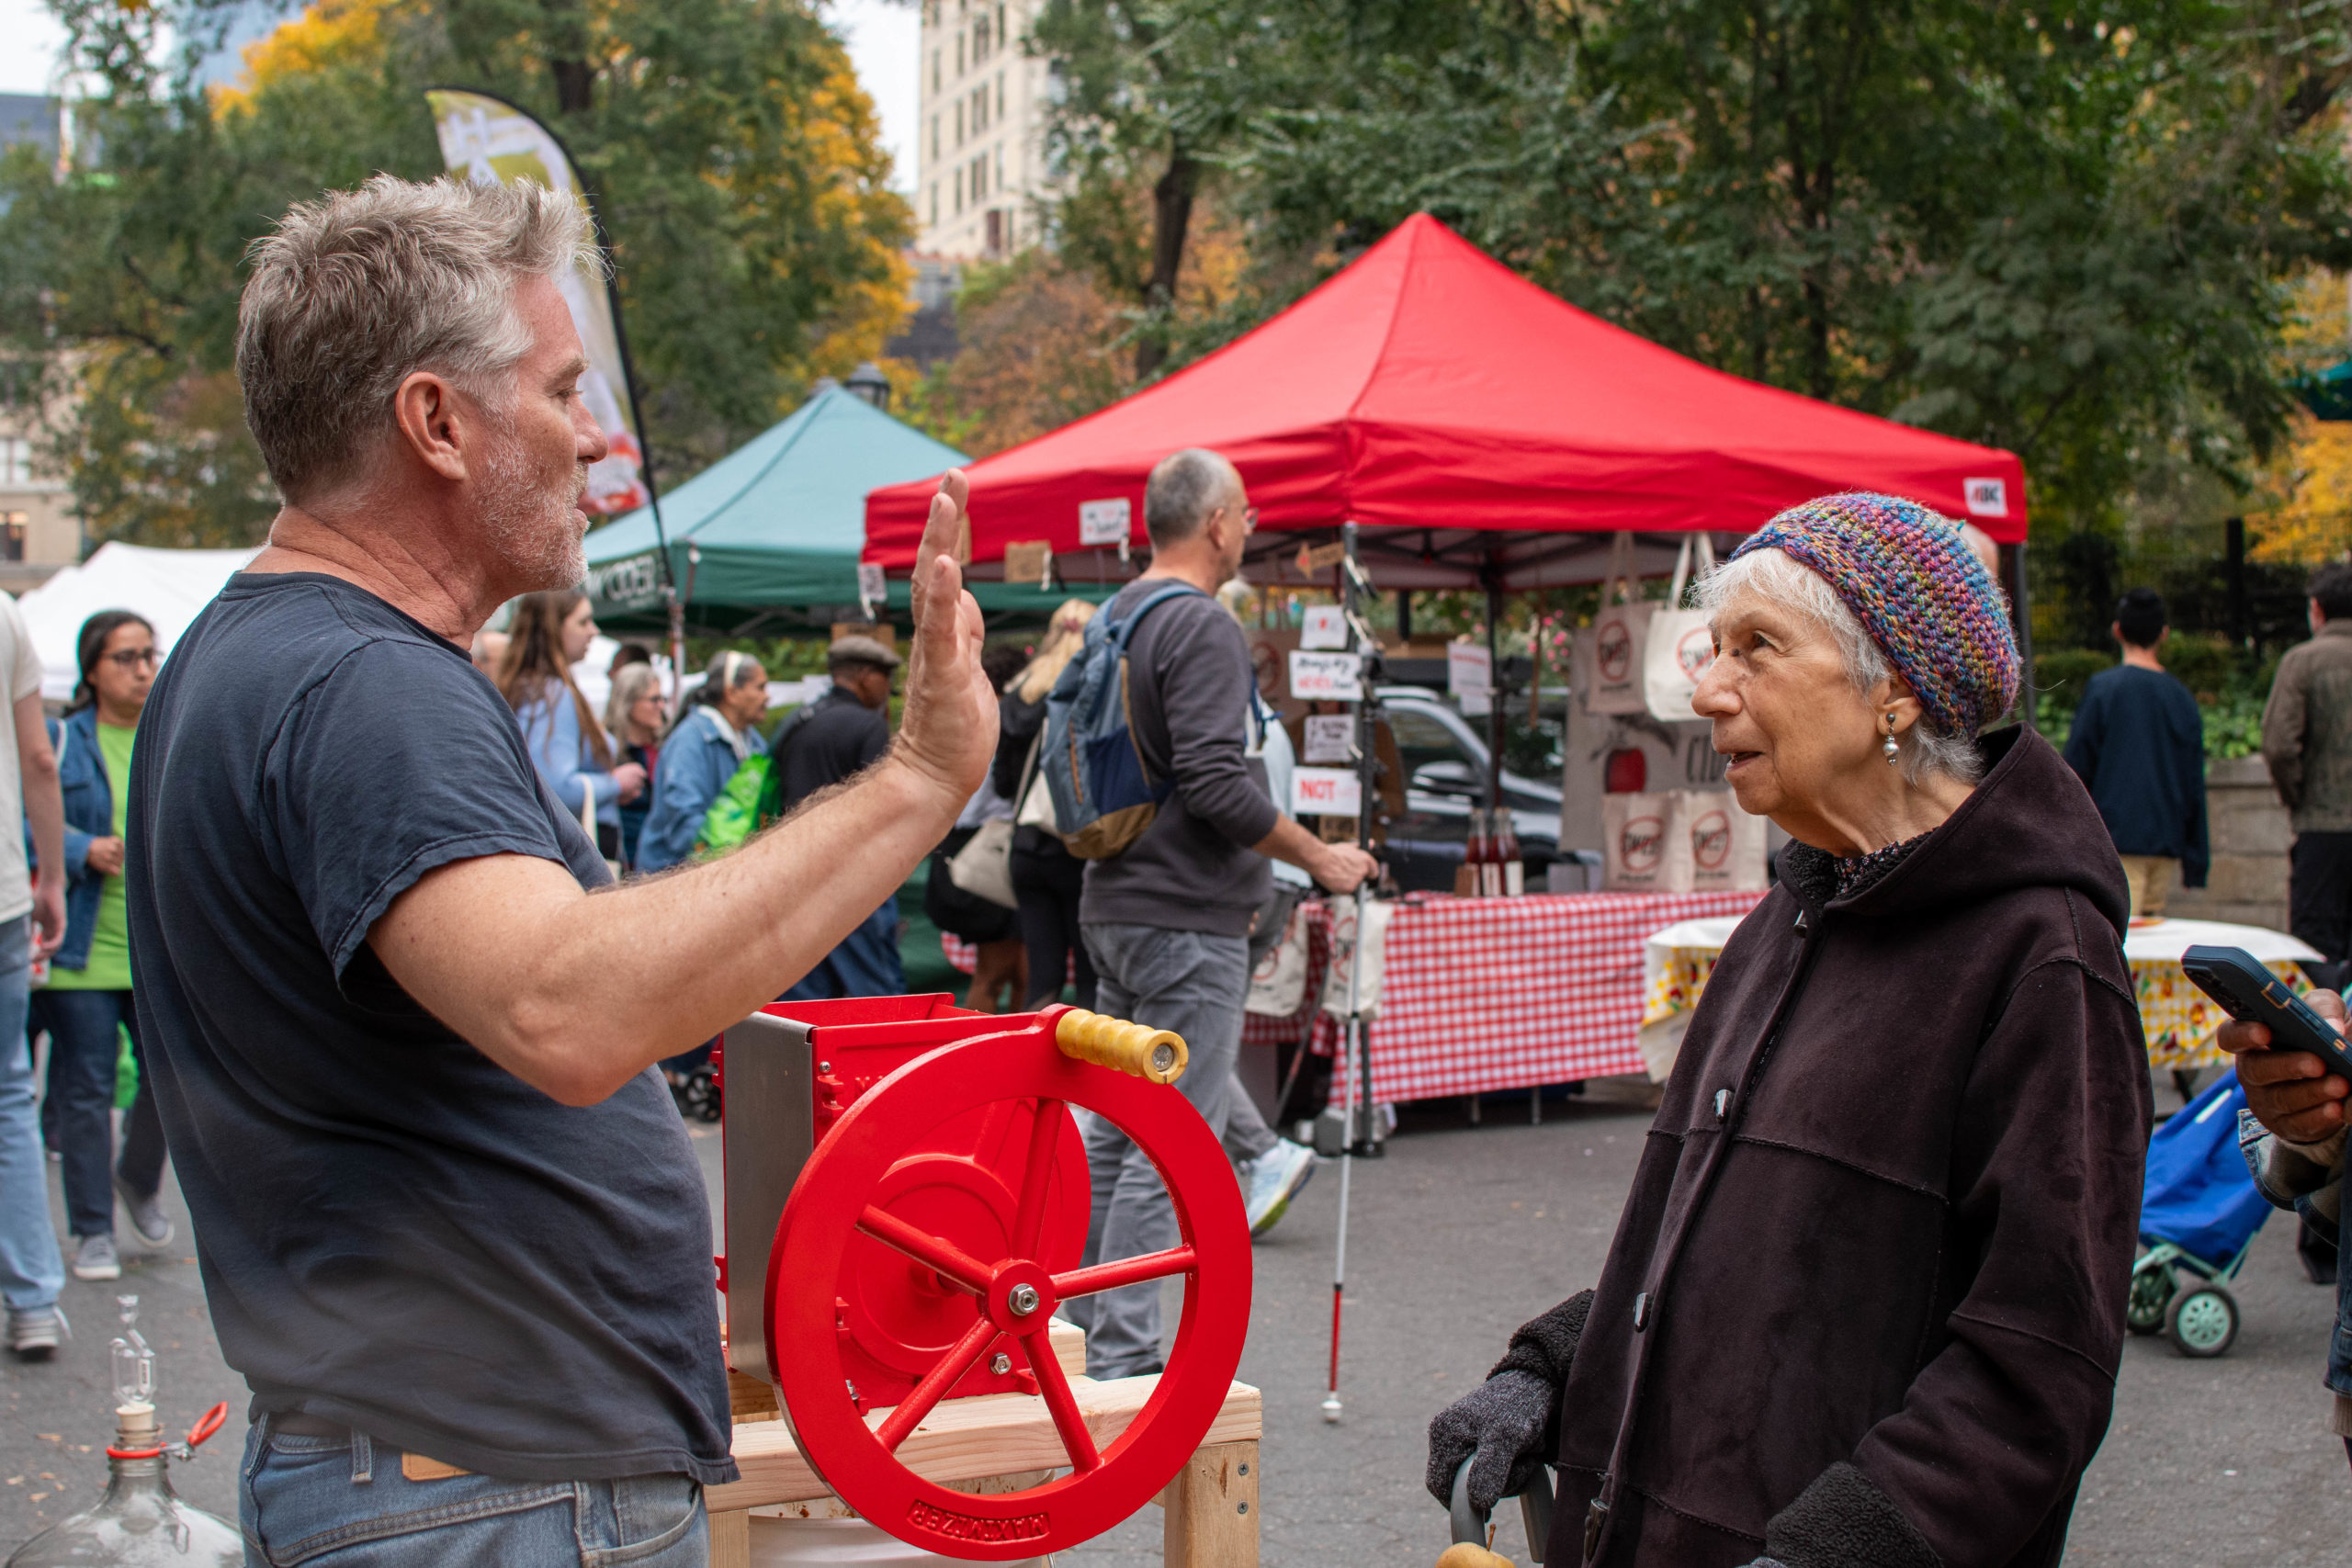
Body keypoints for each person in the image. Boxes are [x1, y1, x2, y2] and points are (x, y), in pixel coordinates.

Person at [125, 174, 995, 1559]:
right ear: (438, 422)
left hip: (431, 1473)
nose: (597, 441)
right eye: (565, 390)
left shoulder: (252, 655)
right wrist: (917, 781)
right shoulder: (367, 683)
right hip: (483, 1490)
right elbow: (567, 1008)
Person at [1427, 493, 2148, 1567]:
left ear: (1893, 690)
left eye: (1757, 649)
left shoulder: (2042, 955)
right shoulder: (1792, 915)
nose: (1708, 691)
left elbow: (2036, 1360)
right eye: (1713, 651)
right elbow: (1721, 1251)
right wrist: (1548, 1371)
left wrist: (1836, 1551)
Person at [1070, 447, 1376, 1379]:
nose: (1249, 528)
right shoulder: (1197, 624)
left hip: (1117, 899)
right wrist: (1320, 856)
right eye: (1243, 514)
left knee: (1116, 1128)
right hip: (1183, 913)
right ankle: (1123, 1359)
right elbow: (1213, 780)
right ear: (1213, 523)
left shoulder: (1114, 615)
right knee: (1170, 1140)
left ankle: (1074, 1330)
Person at [29, 611, 173, 1288]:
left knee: (174, 1075)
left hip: (157, 947)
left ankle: (136, 1177)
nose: (143, 667)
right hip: (83, 947)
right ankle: (91, 1230)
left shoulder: (170, 732)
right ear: (93, 669)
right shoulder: (61, 741)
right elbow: (24, 827)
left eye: (149, 653)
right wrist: (78, 847)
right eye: (126, 656)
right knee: (84, 1089)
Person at [0, 588, 66, 1360]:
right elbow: (39, 756)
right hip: (6, 893)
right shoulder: (8, 612)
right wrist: (51, 875)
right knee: (12, 1092)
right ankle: (32, 1300)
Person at [2062, 586, 2209, 919]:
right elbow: (2193, 780)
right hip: (2166, 844)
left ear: (2117, 630)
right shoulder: (2182, 697)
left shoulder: (2103, 689)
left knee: (2121, 943)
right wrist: (2195, 860)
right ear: (2164, 634)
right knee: (2152, 945)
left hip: (2116, 840)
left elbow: (2076, 768)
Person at [776, 636, 906, 999]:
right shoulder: (868, 726)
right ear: (865, 676)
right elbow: (882, 805)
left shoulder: (796, 721)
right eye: (885, 678)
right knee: (877, 991)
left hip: (794, 874)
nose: (888, 690)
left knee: (808, 996)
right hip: (853, 877)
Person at [995, 600, 1099, 1010]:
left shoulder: (1016, 694)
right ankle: (1091, 1070)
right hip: (1077, 846)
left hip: (1026, 847)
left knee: (1044, 973)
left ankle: (1035, 1067)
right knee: (1091, 973)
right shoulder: (1087, 694)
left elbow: (1003, 784)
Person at [500, 590, 644, 862]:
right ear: (553, 628)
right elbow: (555, 787)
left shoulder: (529, 687)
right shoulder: (553, 694)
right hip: (580, 847)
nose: (594, 631)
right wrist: (615, 784)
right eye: (583, 622)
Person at [2263, 561, 2352, 989]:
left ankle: (2329, 1041)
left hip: (2322, 828)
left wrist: (2297, 795)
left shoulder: (2302, 662)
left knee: (2314, 948)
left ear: (2317, 609)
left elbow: (2279, 744)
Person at [927, 642, 1029, 1012]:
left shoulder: (964, 719)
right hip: (990, 851)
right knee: (1000, 972)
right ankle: (983, 1054)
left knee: (1012, 971)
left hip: (965, 848)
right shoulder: (1006, 722)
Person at [635, 649, 769, 874]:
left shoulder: (753, 741)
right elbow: (685, 824)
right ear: (732, 692)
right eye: (760, 687)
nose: (767, 697)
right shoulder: (690, 741)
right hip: (674, 880)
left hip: (722, 873)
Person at [604, 660, 667, 871]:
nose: (662, 706)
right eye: (654, 699)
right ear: (629, 702)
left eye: (662, 699)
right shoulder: (606, 753)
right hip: (623, 864)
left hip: (662, 864)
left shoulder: (665, 749)